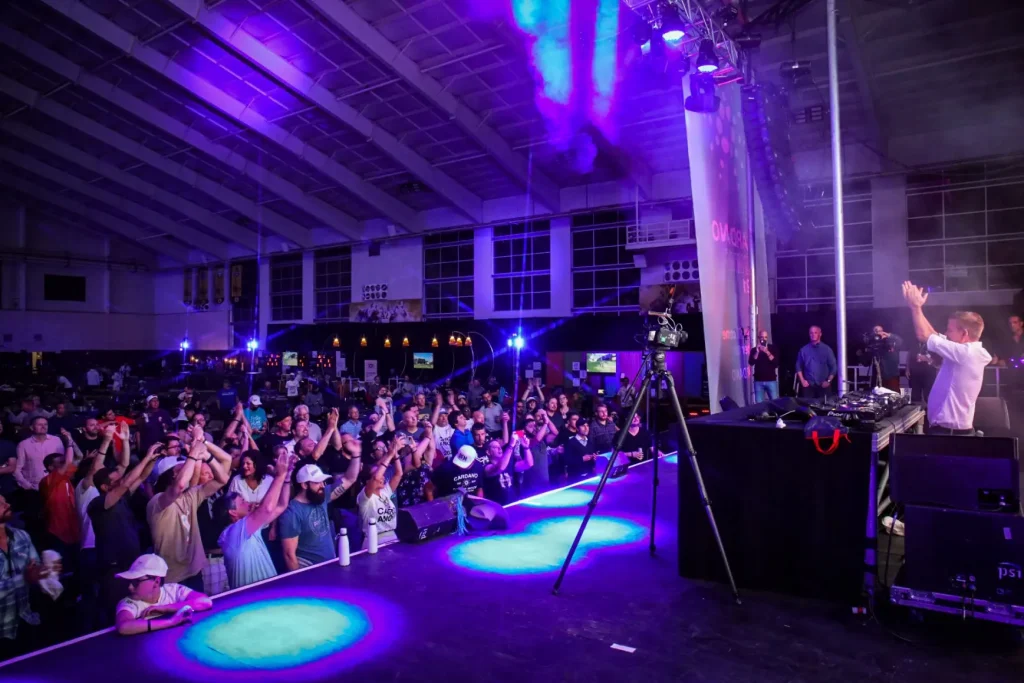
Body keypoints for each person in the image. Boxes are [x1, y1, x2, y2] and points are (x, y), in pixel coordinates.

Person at [146, 427, 231, 591]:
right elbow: (179, 485)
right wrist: (193, 453)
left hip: (195, 572)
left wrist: (206, 454)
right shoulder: (156, 502)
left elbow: (222, 479)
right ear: (171, 475)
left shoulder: (191, 495)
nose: (189, 470)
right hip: (172, 578)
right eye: (181, 468)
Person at [903, 281, 991, 435]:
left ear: (964, 333)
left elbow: (923, 335)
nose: (946, 333)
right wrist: (916, 307)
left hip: (950, 434)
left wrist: (915, 308)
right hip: (949, 431)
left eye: (950, 330)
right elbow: (933, 335)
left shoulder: (966, 353)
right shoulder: (967, 352)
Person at [215, 451, 296, 589]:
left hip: (266, 593)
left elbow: (282, 506)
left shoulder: (250, 528)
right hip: (252, 597)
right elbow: (267, 508)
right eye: (242, 502)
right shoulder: (233, 533)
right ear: (233, 512)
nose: (248, 502)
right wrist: (280, 475)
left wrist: (287, 478)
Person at [278, 448, 361, 570]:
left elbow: (350, 479)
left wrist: (356, 454)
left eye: (323, 481)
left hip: (329, 564)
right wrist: (299, 580)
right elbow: (289, 555)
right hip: (310, 569)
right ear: (304, 485)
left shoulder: (321, 496)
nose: (322, 485)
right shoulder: (291, 513)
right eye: (317, 482)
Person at [0, 493, 52, 659]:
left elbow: (36, 569)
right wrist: (24, 579)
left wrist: (45, 572)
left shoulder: (22, 536)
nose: (6, 504)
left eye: (5, 500)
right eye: (0, 503)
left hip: (27, 620)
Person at [113, 554, 212, 636]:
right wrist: (170, 622)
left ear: (156, 582)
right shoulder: (128, 602)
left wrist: (165, 608)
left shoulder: (172, 590)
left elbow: (205, 601)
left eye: (136, 582)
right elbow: (123, 627)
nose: (130, 587)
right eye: (130, 581)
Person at [356, 442, 403, 549]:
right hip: (374, 540)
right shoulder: (364, 497)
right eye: (378, 474)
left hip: (392, 536)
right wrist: (390, 455)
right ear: (368, 481)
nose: (382, 477)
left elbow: (398, 474)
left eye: (382, 475)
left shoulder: (385, 492)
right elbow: (376, 478)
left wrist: (395, 454)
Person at [795, 326, 838, 399]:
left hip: (823, 385)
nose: (813, 335)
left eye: (815, 332)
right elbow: (798, 366)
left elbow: (834, 367)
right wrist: (802, 380)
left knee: (826, 405)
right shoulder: (804, 350)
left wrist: (828, 381)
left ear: (820, 334)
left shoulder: (827, 349)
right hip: (809, 386)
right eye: (811, 333)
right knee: (808, 405)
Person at [862, 325, 903, 391]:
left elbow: (900, 341)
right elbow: (865, 363)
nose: (878, 333)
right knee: (878, 395)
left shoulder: (889, 341)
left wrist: (889, 335)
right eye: (876, 331)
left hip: (891, 375)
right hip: (877, 377)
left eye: (880, 331)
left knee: (894, 394)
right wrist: (868, 349)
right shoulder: (872, 345)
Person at [748, 330, 780, 402]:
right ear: (758, 338)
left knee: (775, 402)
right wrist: (757, 352)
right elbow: (751, 363)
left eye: (765, 337)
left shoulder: (772, 348)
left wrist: (767, 352)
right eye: (762, 337)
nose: (763, 339)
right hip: (758, 381)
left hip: (771, 380)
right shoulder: (754, 350)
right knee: (759, 404)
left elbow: (776, 364)